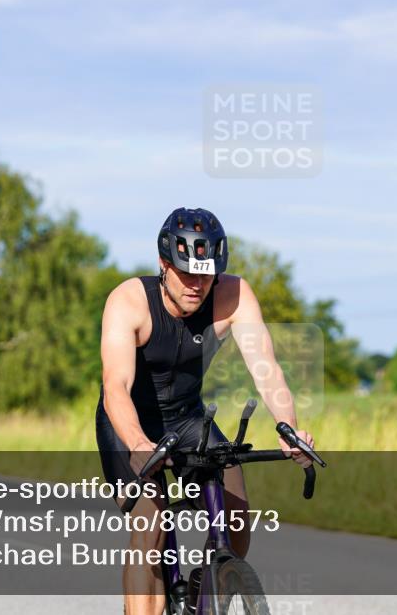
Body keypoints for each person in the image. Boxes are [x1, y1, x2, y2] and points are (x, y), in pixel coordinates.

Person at [96, 206, 315, 615]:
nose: (198, 285)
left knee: (237, 514)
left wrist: (289, 428)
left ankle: (212, 583)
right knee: (151, 521)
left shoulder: (233, 295)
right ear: (164, 265)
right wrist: (138, 443)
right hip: (130, 423)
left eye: (207, 273)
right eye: (187, 273)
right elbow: (116, 387)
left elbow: (266, 369)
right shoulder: (128, 301)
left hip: (187, 418)